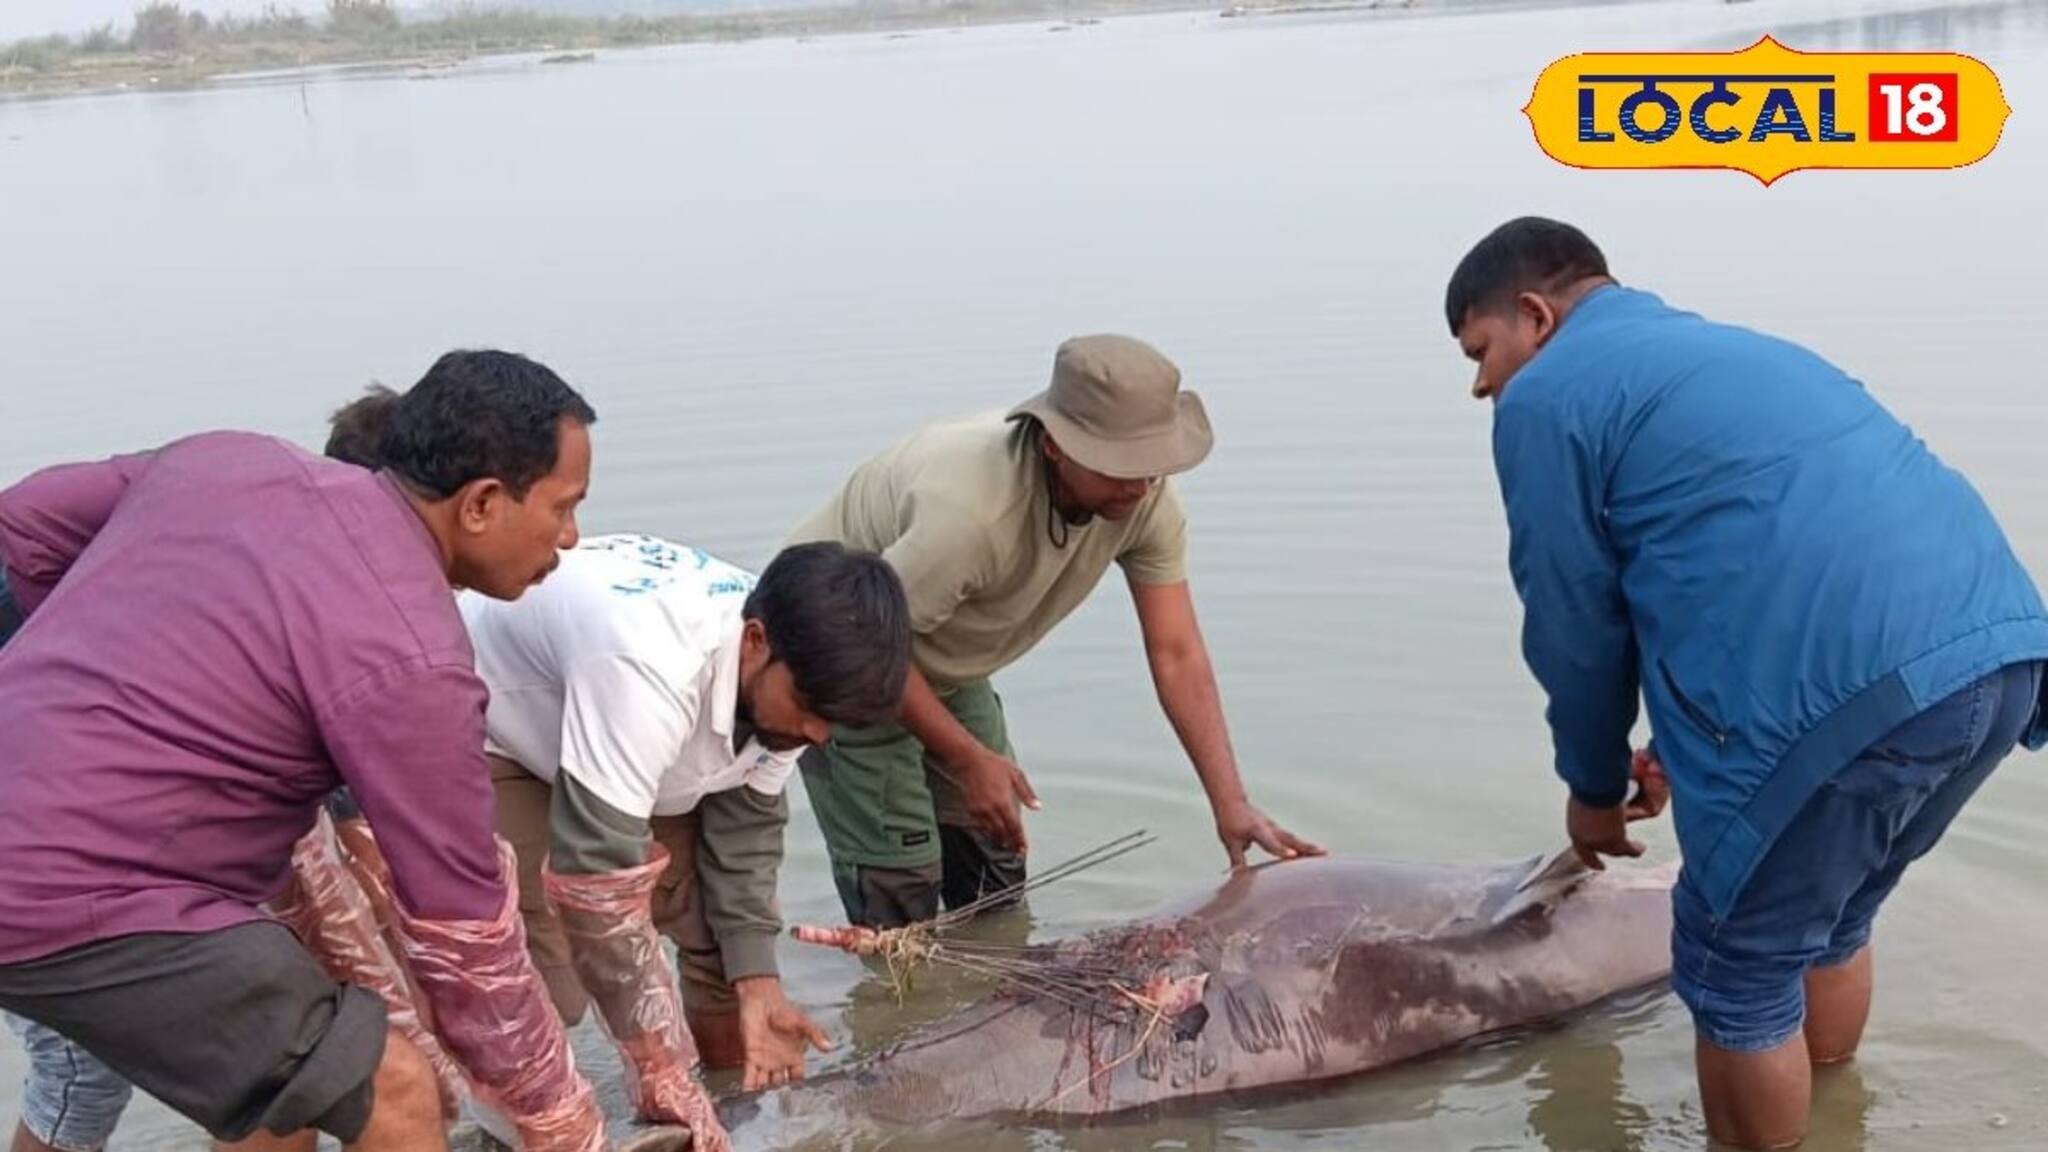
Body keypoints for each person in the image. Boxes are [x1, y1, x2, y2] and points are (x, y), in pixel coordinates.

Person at [1445, 217, 2048, 1149]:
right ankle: (1835, 1114)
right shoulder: (1727, 351)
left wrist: (1593, 789)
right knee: (1833, 922)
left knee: (1738, 971)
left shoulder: (1548, 396)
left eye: (1481, 351)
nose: (1482, 384)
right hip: (1997, 657)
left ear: (1534, 314)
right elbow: (1752, 570)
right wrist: (1667, 752)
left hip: (1856, 695)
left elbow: (1573, 620)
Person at [0, 351, 625, 1152]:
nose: (571, 539)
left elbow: (22, 526)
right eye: (564, 508)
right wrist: (561, 1119)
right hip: (85, 888)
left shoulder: (227, 462)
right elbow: (468, 940)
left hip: (74, 853)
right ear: (482, 504)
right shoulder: (414, 659)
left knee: (294, 1090)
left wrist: (85, 667)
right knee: (393, 1087)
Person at [1, 385, 457, 1152]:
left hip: (77, 835)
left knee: (298, 1054)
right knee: (81, 1068)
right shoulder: (300, 583)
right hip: (49, 863)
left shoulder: (252, 551)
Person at [787, 333, 1322, 928]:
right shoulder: (968, 515)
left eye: (1151, 465)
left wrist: (1231, 803)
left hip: (940, 650)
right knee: (900, 897)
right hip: (833, 655)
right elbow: (869, 646)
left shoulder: (1146, 502)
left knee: (996, 865)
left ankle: (987, 997)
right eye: (1119, 465)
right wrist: (966, 757)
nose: (1139, 486)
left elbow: (1176, 652)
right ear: (1053, 446)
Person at [461, 534, 909, 1110]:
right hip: (502, 731)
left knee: (725, 948)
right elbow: (598, 882)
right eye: (812, 713)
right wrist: (658, 1062)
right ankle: (517, 1131)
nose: (818, 736)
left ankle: (733, 1108)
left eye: (833, 723)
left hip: (635, 745)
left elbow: (746, 829)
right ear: (754, 642)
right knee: (542, 990)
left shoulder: (801, 679)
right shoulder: (650, 667)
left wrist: (759, 982)